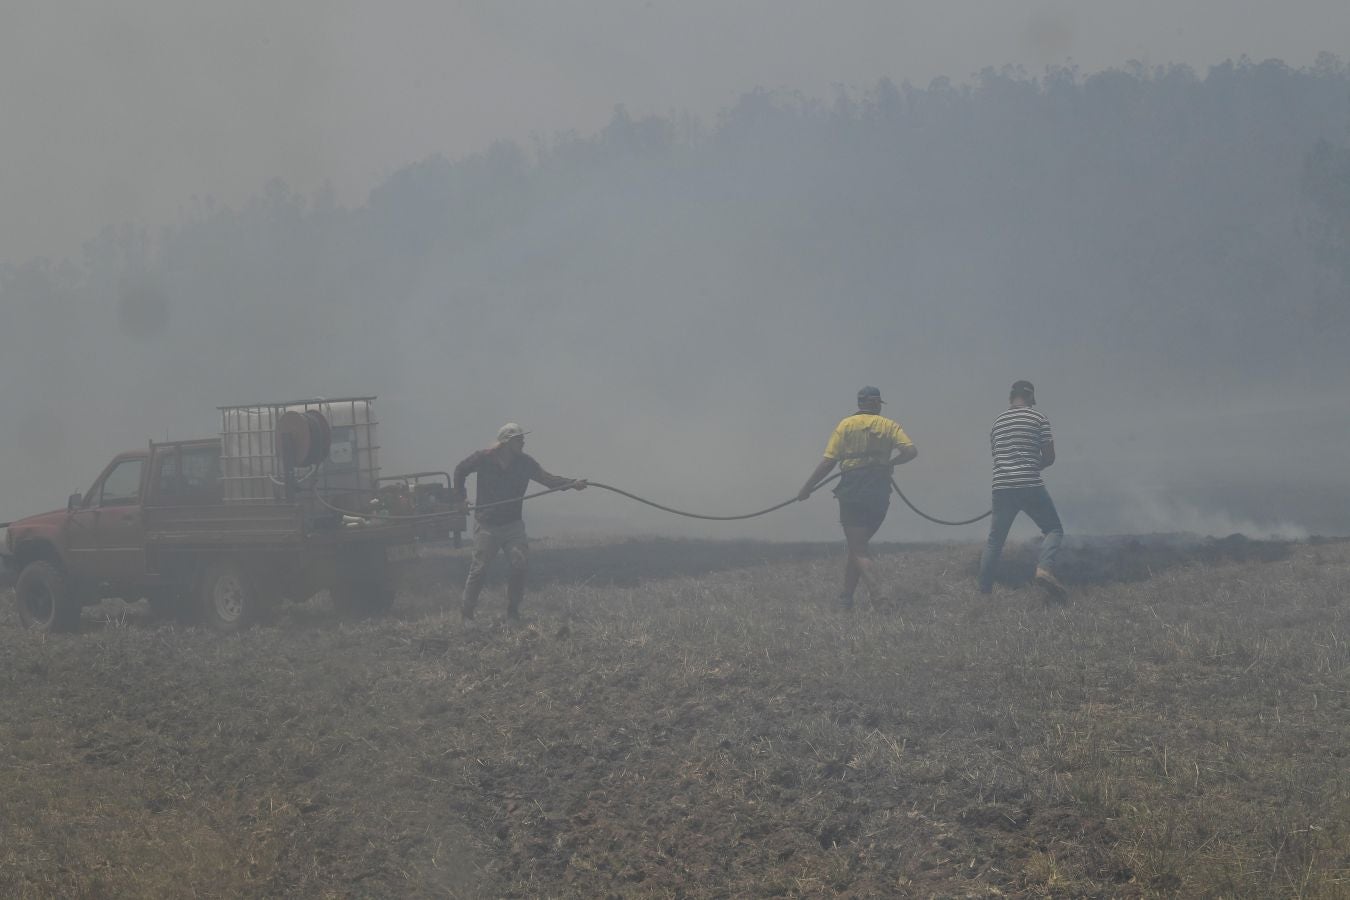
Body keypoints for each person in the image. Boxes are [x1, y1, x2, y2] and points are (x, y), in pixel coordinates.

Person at [453, 423, 586, 622]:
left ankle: (513, 611)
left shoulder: (525, 463)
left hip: (512, 525)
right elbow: (460, 471)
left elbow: (546, 479)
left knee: (519, 564)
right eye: (519, 439)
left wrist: (571, 483)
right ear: (506, 442)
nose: (523, 442)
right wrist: (460, 499)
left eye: (522, 438)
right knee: (479, 569)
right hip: (487, 524)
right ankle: (467, 614)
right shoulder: (483, 458)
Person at [798, 386, 917, 609]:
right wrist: (889, 463)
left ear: (860, 403)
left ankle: (880, 599)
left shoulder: (846, 425)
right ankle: (845, 598)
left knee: (859, 548)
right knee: (857, 545)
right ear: (877, 404)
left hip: (853, 488)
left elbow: (828, 462)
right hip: (879, 490)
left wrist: (806, 488)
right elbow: (910, 452)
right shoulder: (889, 426)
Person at [976, 380, 1066, 598]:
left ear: (1011, 397)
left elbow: (998, 456)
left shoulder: (997, 422)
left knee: (995, 541)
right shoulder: (1038, 418)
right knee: (1054, 529)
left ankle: (984, 593)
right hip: (1029, 484)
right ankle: (1044, 569)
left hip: (1001, 486)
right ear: (1031, 398)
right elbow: (1050, 456)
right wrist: (1035, 465)